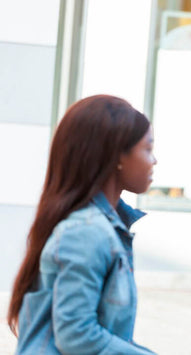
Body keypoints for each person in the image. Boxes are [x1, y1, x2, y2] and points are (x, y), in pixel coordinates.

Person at [7, 95, 157, 354]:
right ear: (117, 156)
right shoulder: (86, 231)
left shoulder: (104, 227)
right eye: (148, 148)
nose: (153, 160)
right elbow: (77, 336)